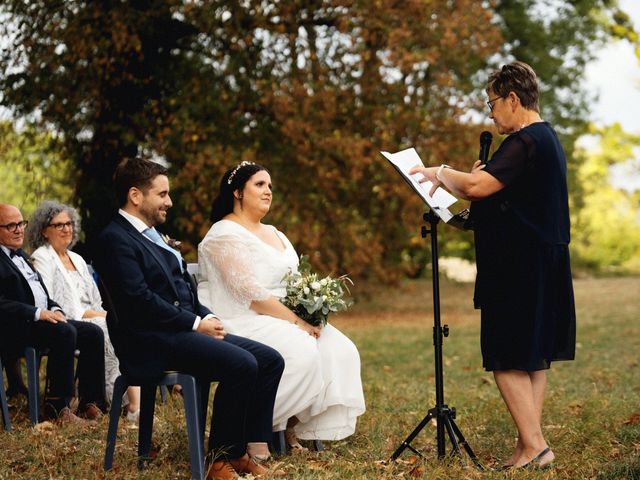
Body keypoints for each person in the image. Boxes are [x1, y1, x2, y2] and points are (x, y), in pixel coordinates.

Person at [409, 61, 576, 469]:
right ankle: (526, 448)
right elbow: (500, 195)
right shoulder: (545, 138)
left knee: (505, 358)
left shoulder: (524, 141)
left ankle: (537, 446)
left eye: (492, 103)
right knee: (531, 357)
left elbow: (479, 187)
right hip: (542, 262)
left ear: (513, 99)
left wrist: (439, 172)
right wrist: (472, 183)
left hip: (518, 268)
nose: (490, 112)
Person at [94, 158, 284, 480]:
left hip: (177, 332)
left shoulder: (153, 235)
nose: (169, 201)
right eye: (163, 194)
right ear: (136, 196)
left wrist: (205, 314)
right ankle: (219, 459)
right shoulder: (115, 239)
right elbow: (139, 300)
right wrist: (195, 325)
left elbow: (184, 289)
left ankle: (237, 451)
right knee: (242, 364)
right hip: (147, 340)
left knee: (269, 359)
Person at [197, 161, 365, 449]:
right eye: (260, 185)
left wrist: (311, 310)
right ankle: (249, 430)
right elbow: (251, 294)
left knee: (342, 351)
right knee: (303, 351)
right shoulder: (223, 233)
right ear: (238, 192)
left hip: (281, 314)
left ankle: (288, 424)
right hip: (242, 317)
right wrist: (297, 321)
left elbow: (295, 282)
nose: (268, 191)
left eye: (270, 186)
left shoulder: (276, 232)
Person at [27, 200, 141, 422]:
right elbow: (51, 298)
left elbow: (96, 300)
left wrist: (102, 314)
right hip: (63, 318)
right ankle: (121, 401)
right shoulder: (42, 256)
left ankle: (103, 401)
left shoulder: (77, 258)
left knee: (115, 325)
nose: (66, 229)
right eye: (59, 225)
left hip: (92, 317)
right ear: (44, 231)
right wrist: (100, 316)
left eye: (69, 223)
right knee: (106, 326)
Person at [0, 203, 106, 425]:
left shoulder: (21, 256)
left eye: (20, 223)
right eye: (11, 226)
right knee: (64, 332)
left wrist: (55, 309)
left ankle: (89, 402)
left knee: (93, 332)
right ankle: (57, 408)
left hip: (39, 320)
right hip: (14, 327)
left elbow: (43, 294)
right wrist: (38, 312)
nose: (19, 229)